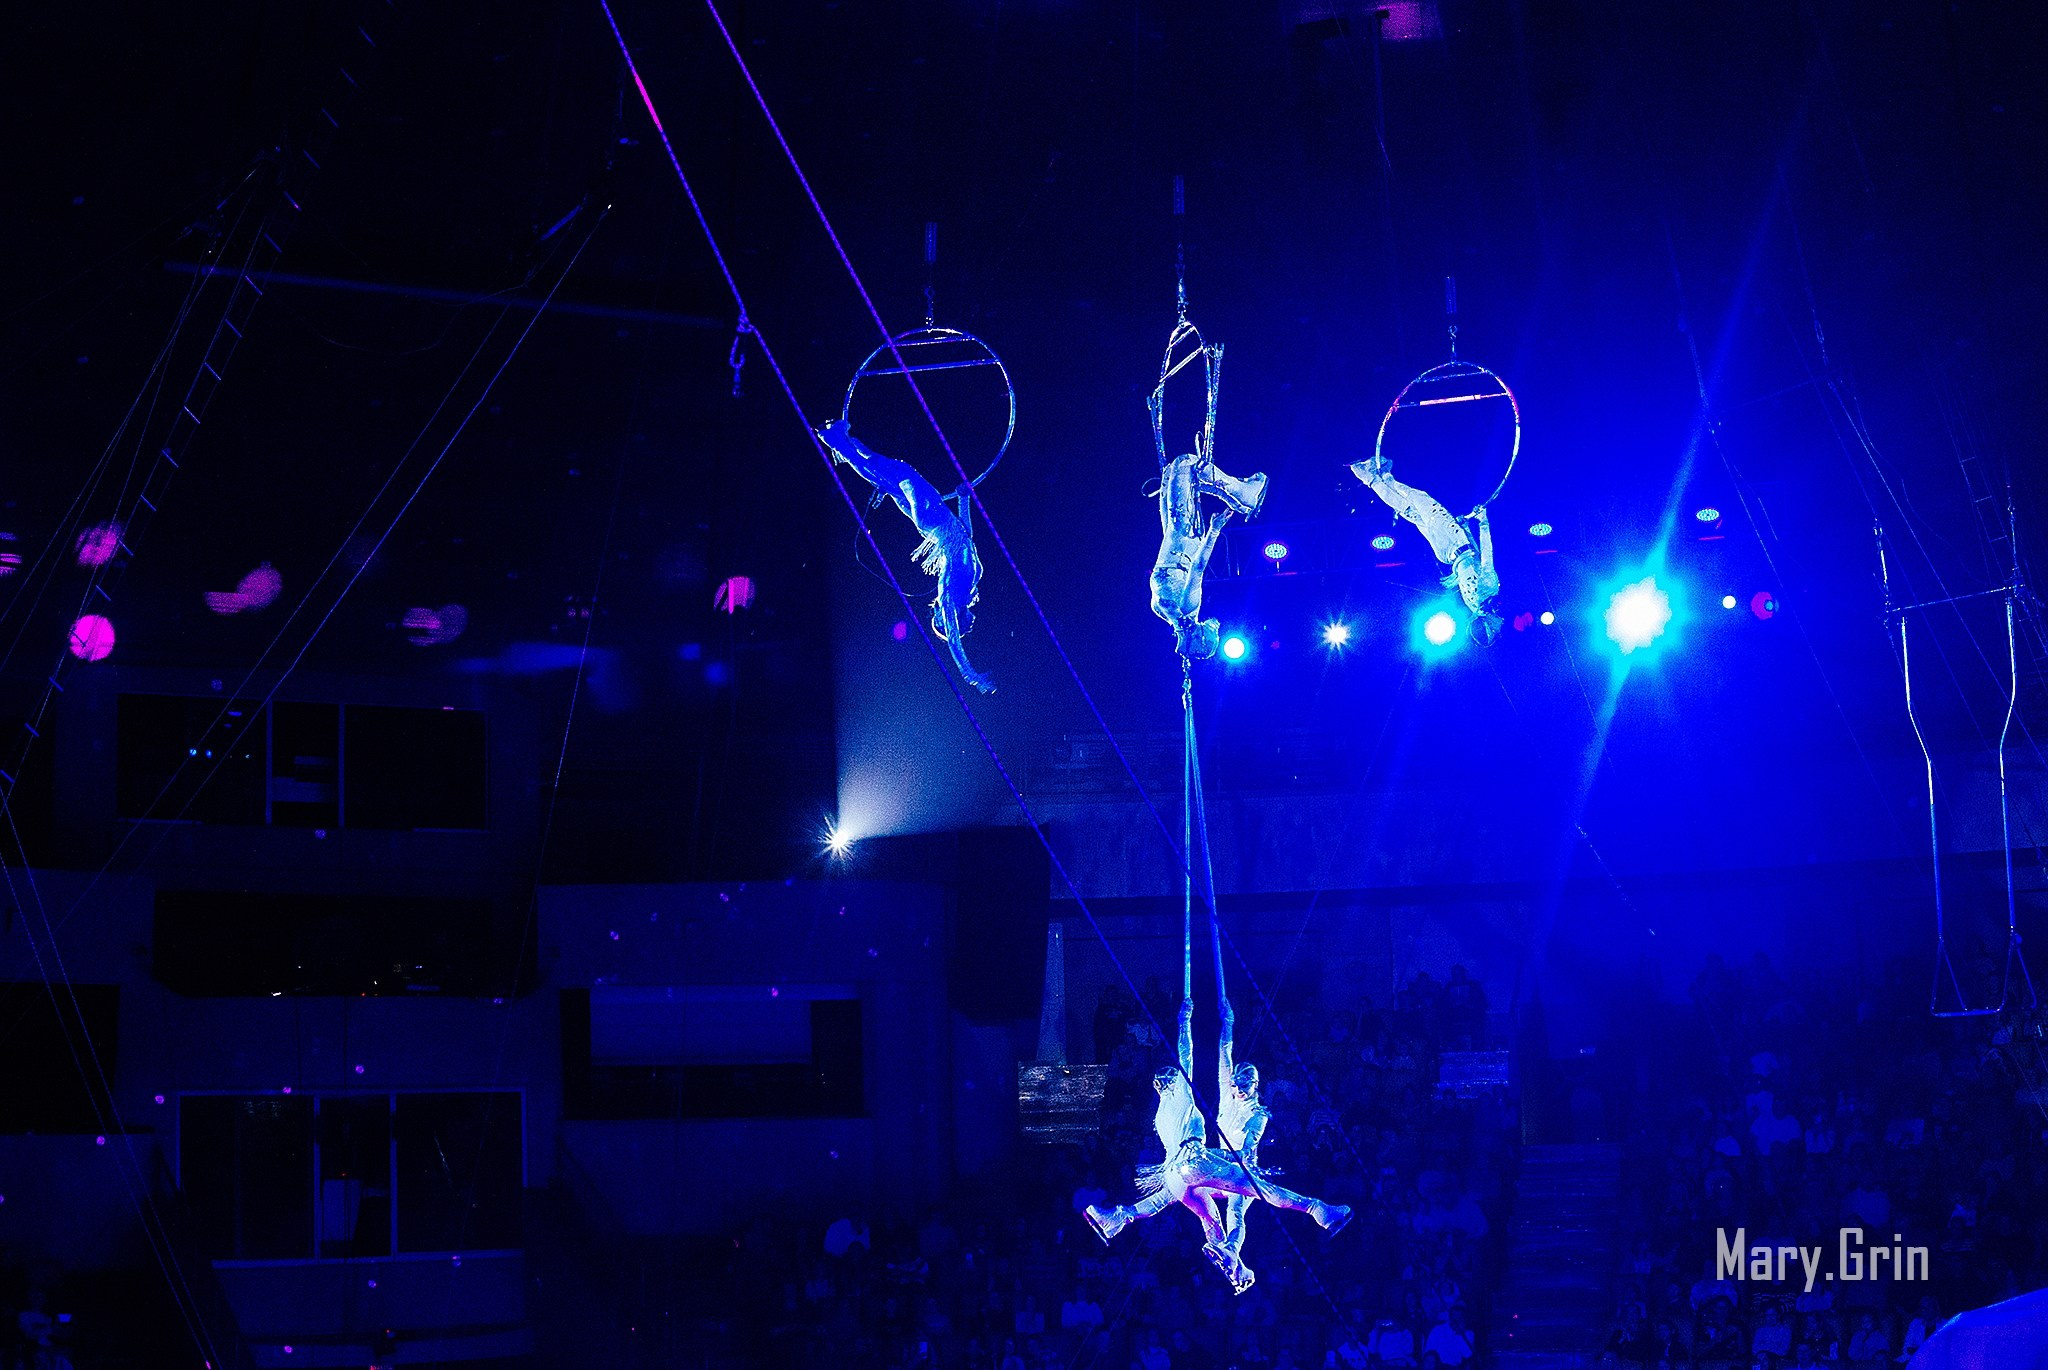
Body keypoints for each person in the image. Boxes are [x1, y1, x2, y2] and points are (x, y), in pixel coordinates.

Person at [1085, 998, 1352, 1292]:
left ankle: (1226, 1260)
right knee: (1259, 1190)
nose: (1236, 1089)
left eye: (1242, 1086)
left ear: (1254, 1086)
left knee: (1208, 1212)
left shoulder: (1248, 1114)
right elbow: (1215, 1054)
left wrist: (1223, 1021)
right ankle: (1318, 1210)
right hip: (1207, 1163)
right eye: (1235, 1084)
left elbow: (1249, 1141)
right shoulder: (1198, 1091)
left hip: (1184, 1173)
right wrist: (1218, 1021)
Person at [815, 418, 992, 692]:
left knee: (896, 471)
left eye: (959, 627)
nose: (968, 627)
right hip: (934, 523)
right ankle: (844, 440)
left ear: (947, 620)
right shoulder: (970, 582)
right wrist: (963, 498)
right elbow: (967, 535)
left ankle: (835, 440)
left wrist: (971, 675)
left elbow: (955, 644)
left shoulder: (948, 594)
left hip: (933, 519)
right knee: (883, 473)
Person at [1348, 454, 1501, 643]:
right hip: (1447, 553)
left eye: (1496, 628)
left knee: (1419, 499)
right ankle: (1374, 475)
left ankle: (1377, 476)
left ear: (1488, 624)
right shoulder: (1475, 606)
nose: (1501, 622)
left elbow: (1486, 555)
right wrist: (1468, 528)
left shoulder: (1490, 589)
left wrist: (1483, 522)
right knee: (1409, 511)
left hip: (1454, 541)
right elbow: (1474, 560)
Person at [1150, 439, 1268, 660]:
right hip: (1186, 536)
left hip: (1174, 534)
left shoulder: (1170, 613)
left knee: (1171, 475)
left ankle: (1241, 497)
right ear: (1198, 636)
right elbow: (1198, 567)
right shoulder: (1190, 607)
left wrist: (1179, 624)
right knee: (1186, 464)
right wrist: (1214, 530)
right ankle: (1244, 494)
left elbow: (1165, 604)